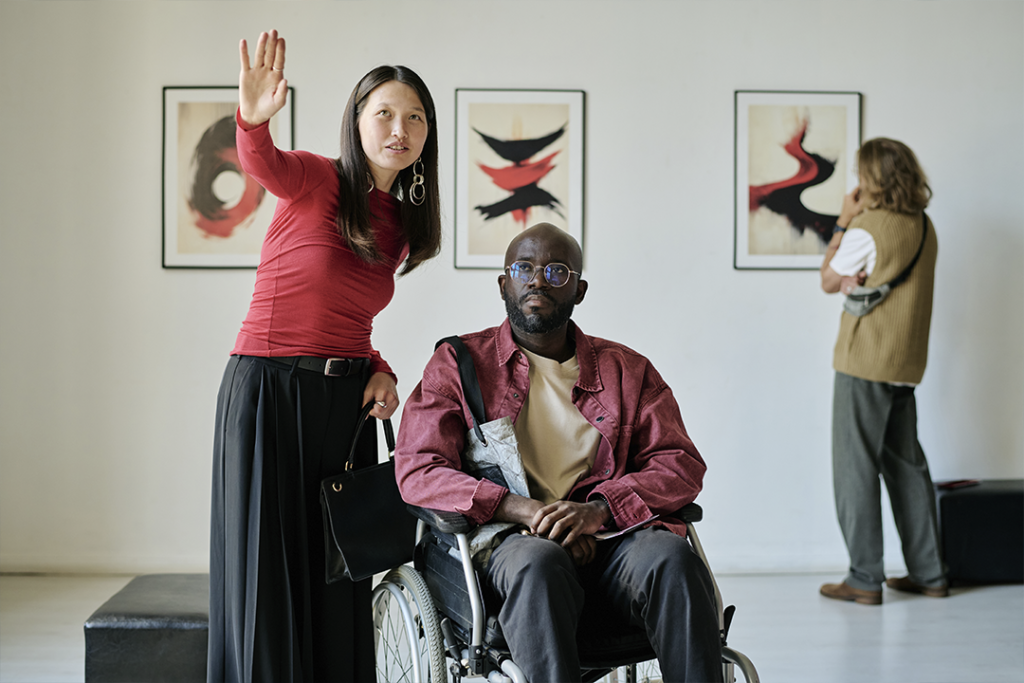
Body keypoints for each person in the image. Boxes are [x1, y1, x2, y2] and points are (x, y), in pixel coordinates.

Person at [207, 30, 441, 682]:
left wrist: (379, 365)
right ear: (357, 121)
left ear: (429, 136)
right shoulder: (317, 179)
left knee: (337, 570)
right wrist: (253, 117)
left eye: (416, 116)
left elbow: (349, 318)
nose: (401, 127)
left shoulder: (397, 226)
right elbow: (262, 162)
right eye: (385, 113)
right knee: (268, 573)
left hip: (341, 408)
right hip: (269, 392)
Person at [395, 223, 723, 682]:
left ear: (579, 290)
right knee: (540, 561)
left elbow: (679, 464)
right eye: (523, 268)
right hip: (511, 543)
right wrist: (525, 511)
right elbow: (420, 469)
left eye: (556, 270)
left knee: (673, 558)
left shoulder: (627, 371)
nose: (537, 280)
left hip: (608, 544)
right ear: (503, 284)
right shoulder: (457, 365)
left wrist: (598, 511)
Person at [818, 138, 946, 606]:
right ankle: (930, 572)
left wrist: (842, 221)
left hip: (864, 360)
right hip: (905, 363)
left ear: (874, 179)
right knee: (906, 466)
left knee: (855, 467)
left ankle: (864, 578)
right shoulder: (925, 226)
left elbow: (829, 280)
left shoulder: (868, 228)